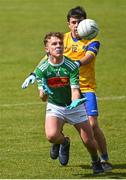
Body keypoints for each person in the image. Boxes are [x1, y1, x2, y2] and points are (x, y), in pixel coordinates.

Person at [22, 6, 112, 171]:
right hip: (62, 85)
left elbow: (90, 55)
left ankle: (104, 158)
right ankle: (60, 142)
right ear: (68, 24)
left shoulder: (92, 38)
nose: (77, 26)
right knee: (57, 124)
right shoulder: (61, 40)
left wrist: (75, 64)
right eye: (73, 22)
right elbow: (46, 58)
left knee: (92, 125)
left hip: (85, 86)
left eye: (79, 22)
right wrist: (34, 74)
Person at [35, 31, 104, 174]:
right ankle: (64, 142)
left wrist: (75, 101)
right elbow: (42, 97)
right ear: (47, 49)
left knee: (88, 141)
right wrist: (45, 92)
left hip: (74, 107)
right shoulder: (41, 70)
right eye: (54, 44)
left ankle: (96, 161)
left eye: (60, 43)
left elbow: (75, 90)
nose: (58, 46)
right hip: (55, 106)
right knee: (51, 136)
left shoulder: (71, 66)